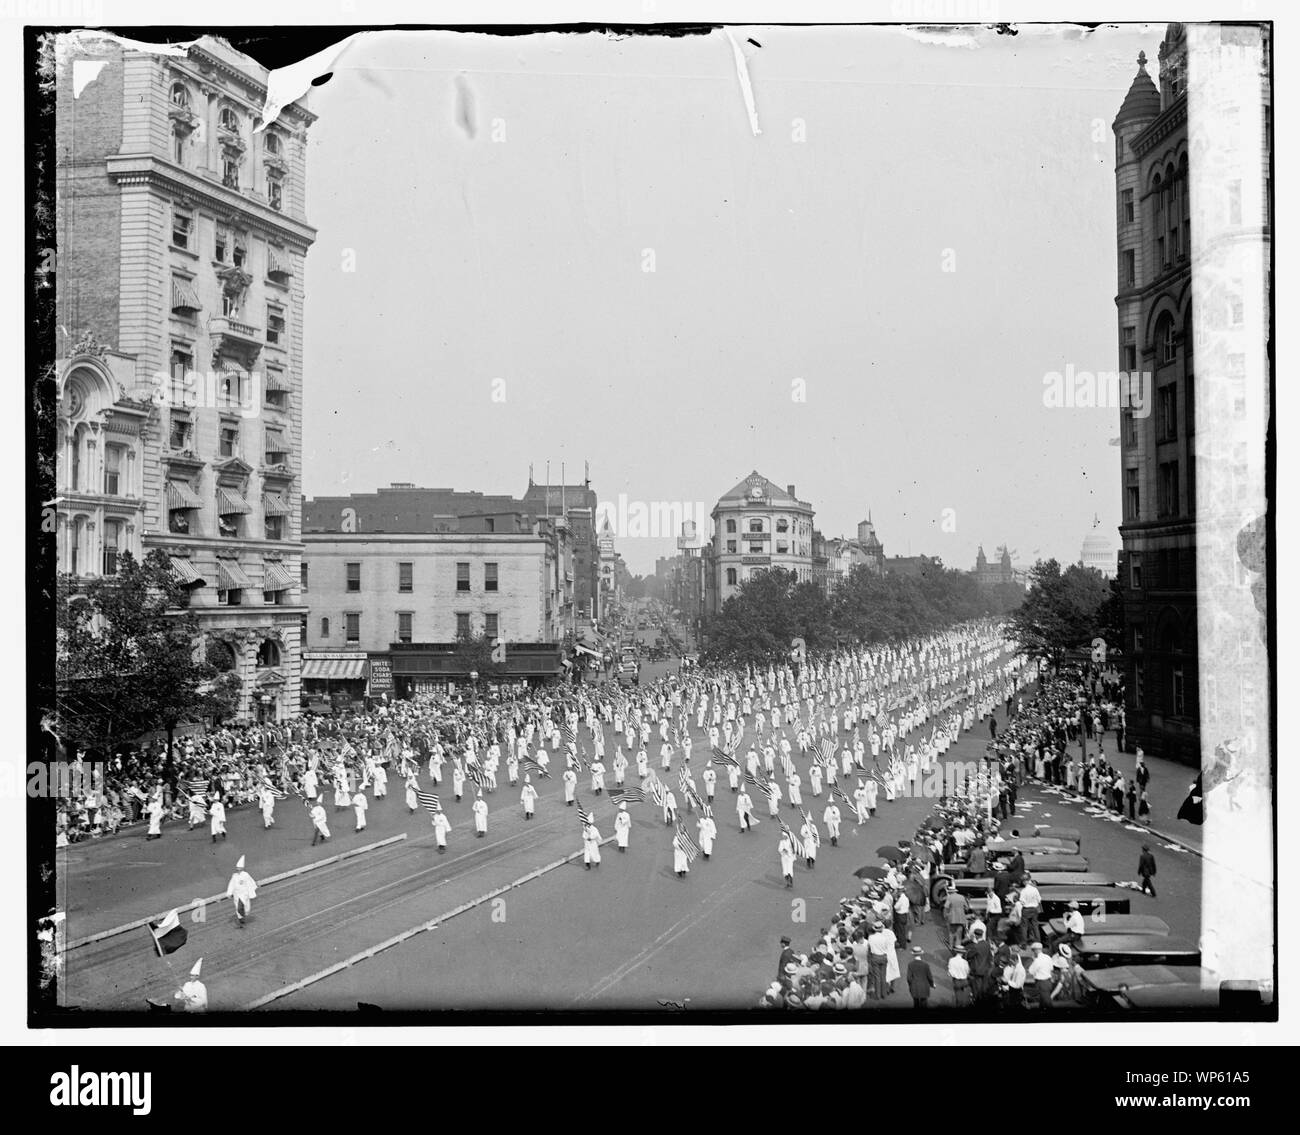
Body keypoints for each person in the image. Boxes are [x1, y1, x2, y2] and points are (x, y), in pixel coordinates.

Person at [225, 855, 257, 928]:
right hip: (237, 894)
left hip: (244, 894)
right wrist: (229, 893)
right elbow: (231, 884)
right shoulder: (234, 875)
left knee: (243, 907)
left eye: (239, 867)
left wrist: (252, 890)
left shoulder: (245, 875)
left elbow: (250, 882)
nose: (238, 869)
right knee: (238, 908)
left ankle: (243, 916)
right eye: (237, 867)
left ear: (242, 868)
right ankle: (241, 919)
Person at [1027, 941, 1055, 1009]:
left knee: (1047, 1002)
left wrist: (1033, 960)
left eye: (1033, 951)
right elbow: (1051, 968)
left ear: (1035, 951)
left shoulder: (1037, 960)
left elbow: (1031, 971)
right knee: (1043, 1002)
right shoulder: (1048, 957)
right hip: (1048, 981)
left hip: (1042, 983)